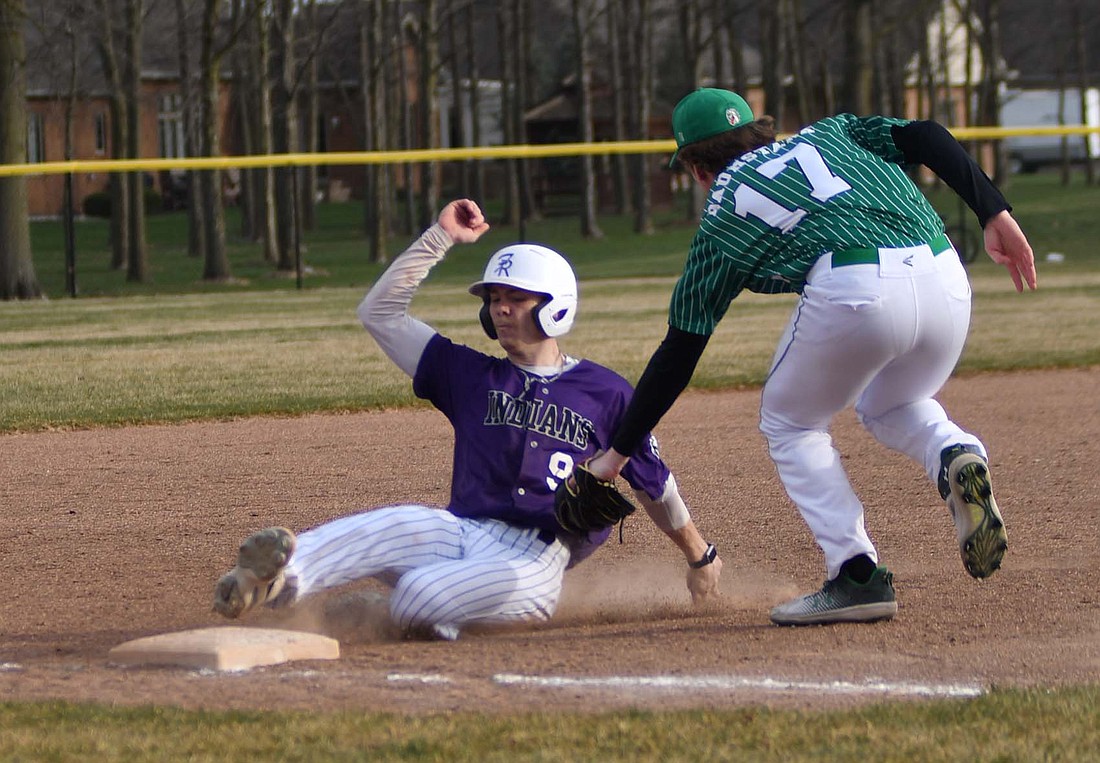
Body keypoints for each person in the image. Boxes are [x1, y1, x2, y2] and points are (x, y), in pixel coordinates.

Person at [586, 88, 1037, 626]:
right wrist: (994, 210)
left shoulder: (722, 210)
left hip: (855, 286)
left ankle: (856, 573)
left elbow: (679, 352)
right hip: (944, 273)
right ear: (758, 132)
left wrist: (617, 454)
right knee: (894, 403)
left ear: (696, 168)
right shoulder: (830, 131)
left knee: (791, 423)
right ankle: (953, 449)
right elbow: (928, 136)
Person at [212, 199, 722, 640]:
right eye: (495, 300)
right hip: (460, 531)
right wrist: (440, 238)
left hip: (533, 562)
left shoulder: (606, 392)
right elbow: (379, 314)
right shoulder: (469, 374)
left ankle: (387, 613)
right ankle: (278, 580)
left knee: (419, 595)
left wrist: (699, 557)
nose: (501, 310)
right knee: (386, 526)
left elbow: (655, 484)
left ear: (555, 309)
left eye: (516, 299)